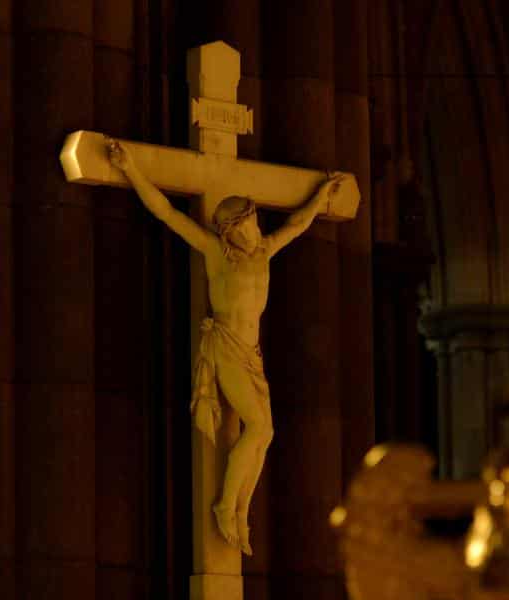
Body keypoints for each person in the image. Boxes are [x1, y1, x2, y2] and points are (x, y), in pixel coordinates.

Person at [108, 138, 348, 555]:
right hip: (226, 346)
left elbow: (297, 224)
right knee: (258, 427)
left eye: (255, 223)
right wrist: (131, 169)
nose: (255, 231)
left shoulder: (264, 253)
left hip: (251, 355)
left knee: (266, 432)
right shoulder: (216, 254)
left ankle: (239, 510)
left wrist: (322, 195)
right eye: (248, 225)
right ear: (232, 229)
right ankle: (225, 506)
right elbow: (166, 213)